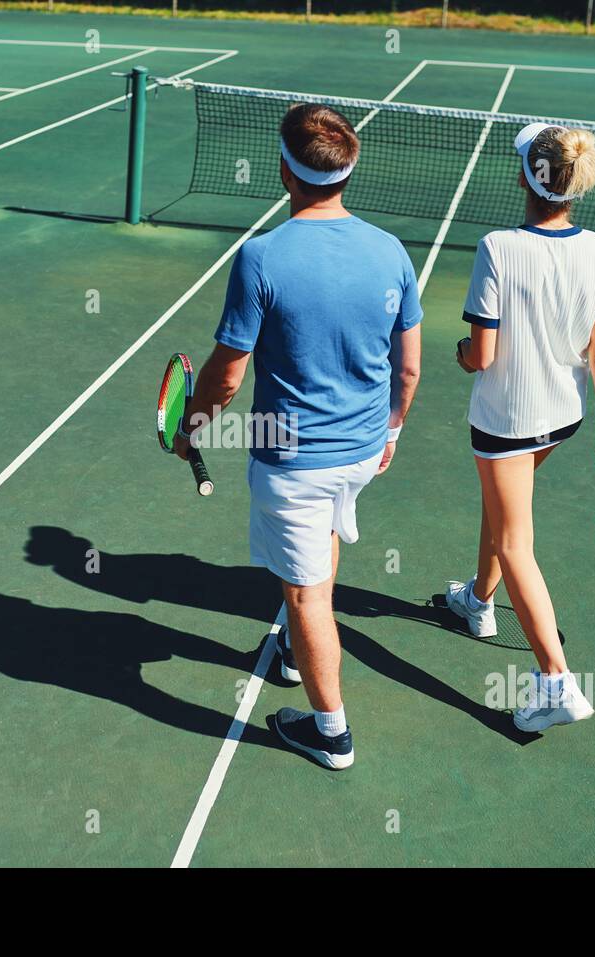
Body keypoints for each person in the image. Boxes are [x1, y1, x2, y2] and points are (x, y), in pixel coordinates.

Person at [175, 102, 422, 770]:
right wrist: (392, 427)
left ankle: (331, 732)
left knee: (309, 596)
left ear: (285, 171)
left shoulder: (261, 258)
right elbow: (410, 366)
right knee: (321, 555)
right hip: (364, 449)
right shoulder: (391, 251)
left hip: (295, 460)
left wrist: (190, 426)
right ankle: (292, 651)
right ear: (349, 171)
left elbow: (226, 379)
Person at [449, 122, 595, 733]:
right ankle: (478, 602)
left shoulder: (499, 246)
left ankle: (556, 682)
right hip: (563, 419)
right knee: (503, 513)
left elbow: (483, 354)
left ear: (526, 177)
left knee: (514, 541)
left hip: (504, 420)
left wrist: (462, 353)